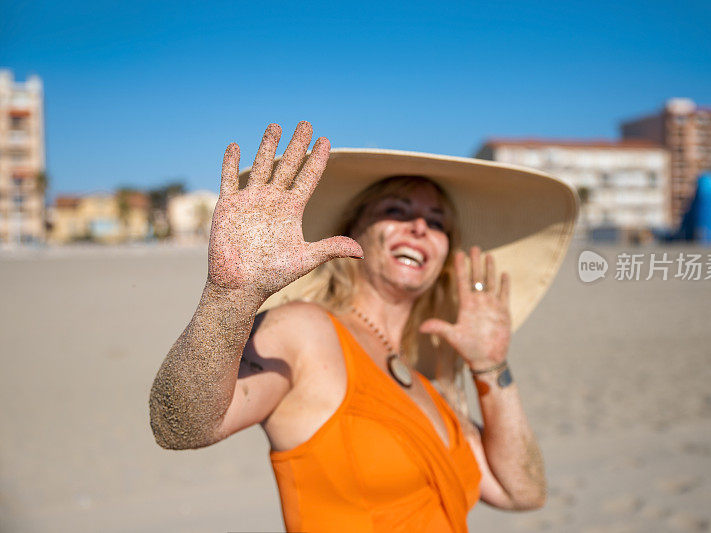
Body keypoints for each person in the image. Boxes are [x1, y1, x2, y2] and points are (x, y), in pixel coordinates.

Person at [149, 121, 578, 532]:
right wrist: (230, 298)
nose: (419, 227)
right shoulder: (306, 332)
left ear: (445, 255)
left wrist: (491, 367)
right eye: (397, 210)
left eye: (437, 222)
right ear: (355, 229)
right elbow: (180, 425)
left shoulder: (432, 384)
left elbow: (522, 492)